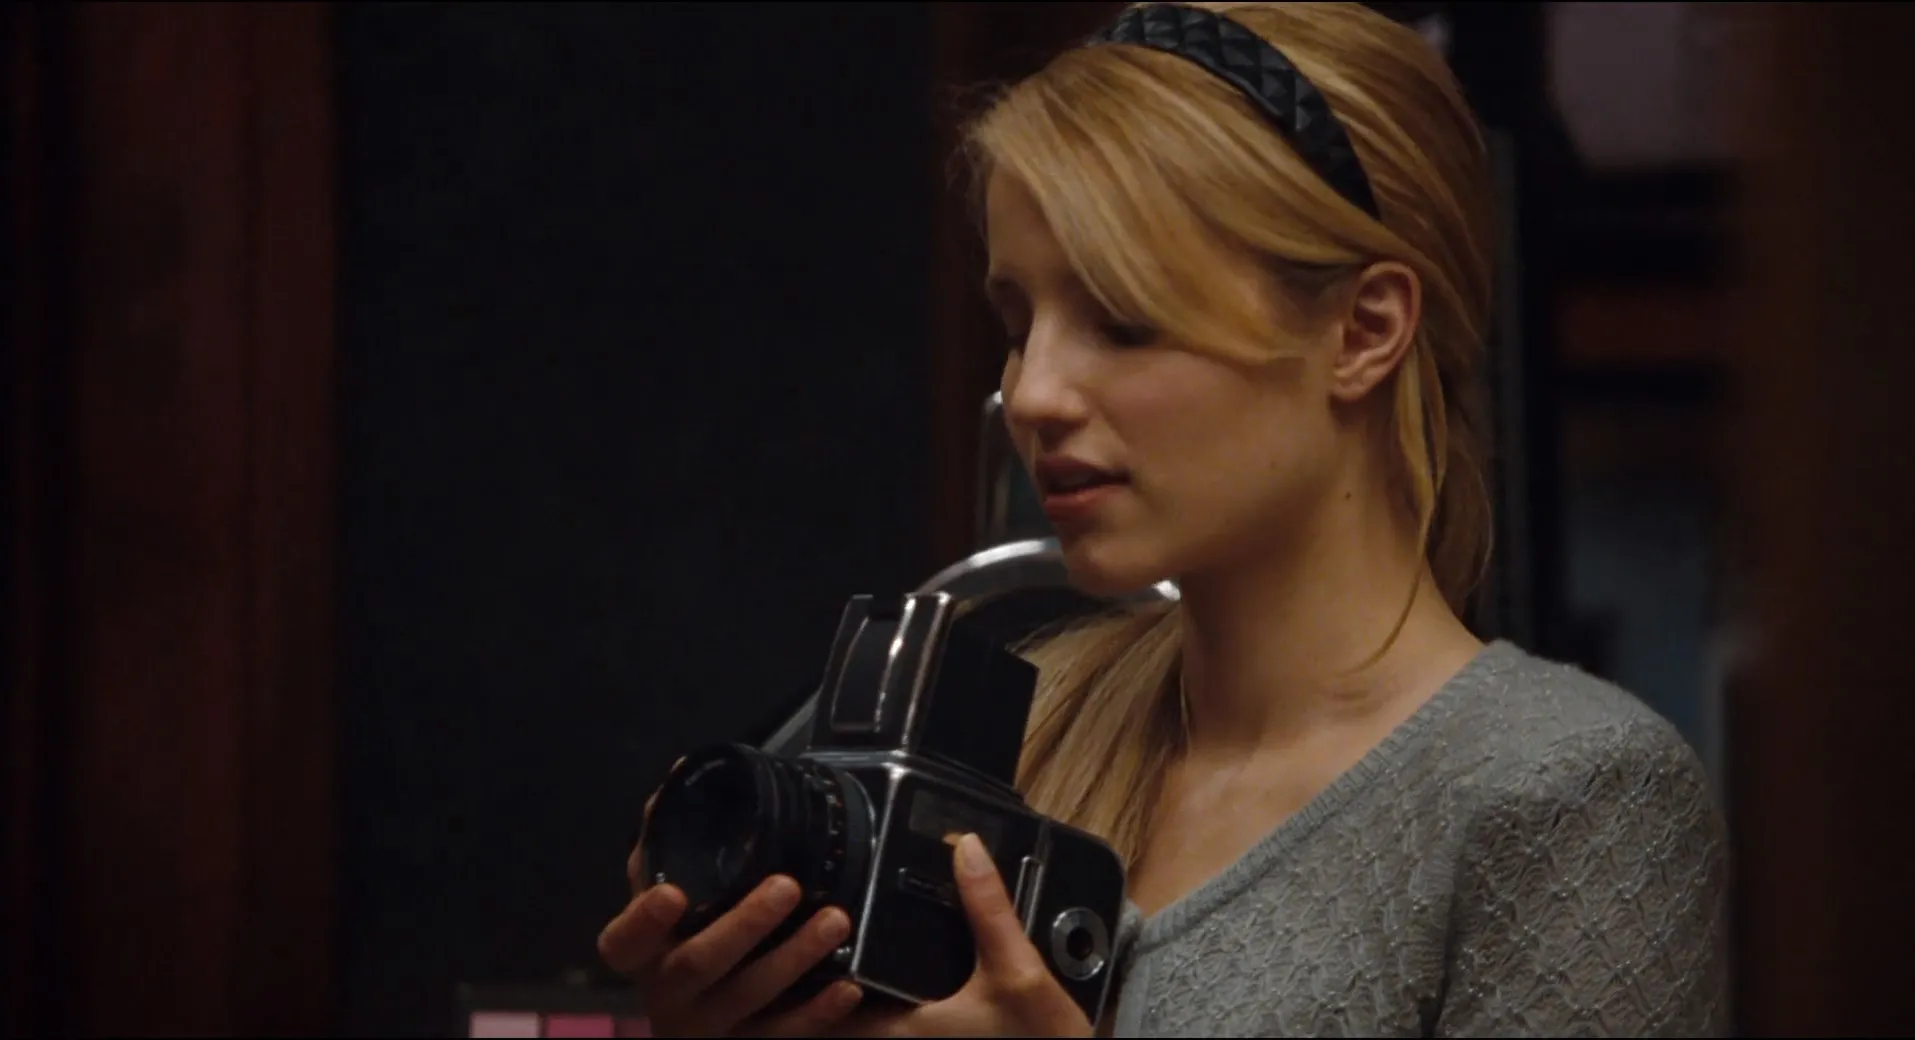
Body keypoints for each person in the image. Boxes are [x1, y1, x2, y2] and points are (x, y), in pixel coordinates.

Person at [597, 2, 1731, 1036]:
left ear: (1363, 331)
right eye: (1018, 325)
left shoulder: (1566, 792)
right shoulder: (1003, 741)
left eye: (1122, 319)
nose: (1032, 394)